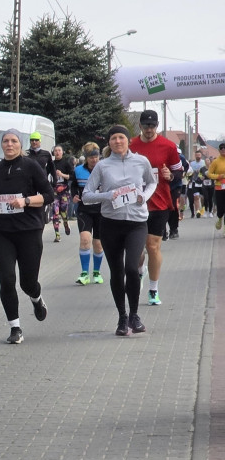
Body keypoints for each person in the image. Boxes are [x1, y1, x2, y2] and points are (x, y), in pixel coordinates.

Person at [0, 130, 54, 344]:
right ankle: (15, 328)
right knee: (7, 279)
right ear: (1, 145)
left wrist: (26, 201)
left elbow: (49, 195)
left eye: (14, 141)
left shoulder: (31, 166)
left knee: (28, 282)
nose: (9, 144)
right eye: (5, 141)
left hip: (29, 231)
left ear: (20, 145)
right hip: (3, 232)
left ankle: (36, 298)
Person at [82, 125, 158, 336]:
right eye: (113, 138)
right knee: (116, 272)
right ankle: (122, 318)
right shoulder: (102, 166)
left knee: (132, 268)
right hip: (111, 224)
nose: (117, 141)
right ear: (109, 142)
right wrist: (109, 195)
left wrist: (144, 196)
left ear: (128, 140)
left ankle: (134, 315)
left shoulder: (141, 161)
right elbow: (87, 195)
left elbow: (152, 183)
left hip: (136, 222)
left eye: (121, 137)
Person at [130, 109, 183, 305]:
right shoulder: (131, 146)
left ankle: (153, 289)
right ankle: (139, 271)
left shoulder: (168, 146)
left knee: (152, 246)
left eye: (152, 126)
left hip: (159, 203)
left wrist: (171, 175)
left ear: (157, 126)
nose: (149, 129)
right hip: (135, 204)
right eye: (146, 125)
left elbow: (179, 173)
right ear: (140, 126)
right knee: (136, 250)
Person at [71, 142, 105, 285]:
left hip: (101, 211)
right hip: (84, 210)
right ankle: (84, 273)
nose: (94, 160)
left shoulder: (104, 169)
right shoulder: (78, 170)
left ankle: (96, 272)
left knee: (98, 244)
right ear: (86, 158)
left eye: (96, 156)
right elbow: (73, 186)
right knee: (85, 239)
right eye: (91, 157)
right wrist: (74, 196)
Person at [51, 145, 74, 242]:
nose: (57, 152)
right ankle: (57, 235)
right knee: (55, 213)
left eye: (59, 150)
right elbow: (45, 174)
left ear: (62, 152)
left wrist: (61, 175)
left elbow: (72, 176)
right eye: (55, 151)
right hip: (54, 192)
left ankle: (65, 222)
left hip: (64, 191)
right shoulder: (51, 164)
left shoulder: (66, 163)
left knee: (63, 212)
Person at [207, 143, 225, 233]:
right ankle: (219, 218)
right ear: (219, 150)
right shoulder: (216, 162)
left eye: (224, 148)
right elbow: (209, 174)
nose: (223, 150)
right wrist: (219, 176)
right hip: (219, 188)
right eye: (221, 149)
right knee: (221, 208)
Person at [186, 148, 206, 218]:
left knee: (203, 198)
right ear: (195, 156)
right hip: (195, 182)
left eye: (199, 155)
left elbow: (207, 170)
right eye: (196, 155)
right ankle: (197, 211)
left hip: (203, 182)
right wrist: (192, 174)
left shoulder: (204, 162)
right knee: (196, 197)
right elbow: (189, 172)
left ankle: (203, 209)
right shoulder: (192, 163)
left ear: (201, 156)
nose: (198, 156)